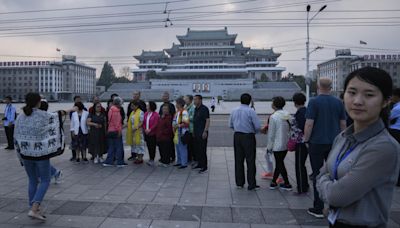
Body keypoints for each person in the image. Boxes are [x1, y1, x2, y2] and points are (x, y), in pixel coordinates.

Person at [316, 67, 400, 227]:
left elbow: (337, 196)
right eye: (352, 92)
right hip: (335, 221)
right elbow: (321, 174)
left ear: (386, 101)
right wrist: (327, 182)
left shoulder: (383, 147)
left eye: (369, 95)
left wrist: (324, 183)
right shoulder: (342, 137)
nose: (357, 101)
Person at [14, 92, 75, 221]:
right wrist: (72, 109)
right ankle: (35, 208)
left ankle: (33, 208)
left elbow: (16, 135)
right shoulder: (43, 115)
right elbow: (58, 115)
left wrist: (19, 154)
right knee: (45, 180)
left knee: (32, 180)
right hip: (40, 154)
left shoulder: (20, 116)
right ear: (38, 102)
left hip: (25, 153)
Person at [304, 77, 347, 218]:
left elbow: (309, 124)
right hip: (335, 143)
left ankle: (318, 207)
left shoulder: (314, 102)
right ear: (331, 87)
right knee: (335, 173)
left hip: (316, 143)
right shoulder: (338, 103)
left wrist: (306, 139)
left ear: (318, 86)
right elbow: (343, 125)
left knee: (317, 173)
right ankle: (334, 205)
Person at [229, 93, 262, 191]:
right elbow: (257, 126)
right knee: (250, 160)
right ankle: (251, 183)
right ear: (250, 101)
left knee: (238, 160)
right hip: (248, 136)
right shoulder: (251, 111)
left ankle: (239, 182)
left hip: (237, 136)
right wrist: (254, 132)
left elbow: (230, 125)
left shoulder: (233, 110)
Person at [266, 96, 292, 191]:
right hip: (286, 143)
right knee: (279, 162)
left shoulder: (273, 117)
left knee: (280, 163)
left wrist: (269, 147)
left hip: (277, 144)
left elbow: (271, 134)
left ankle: (287, 183)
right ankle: (273, 182)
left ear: (274, 105)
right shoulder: (287, 115)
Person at [38, 100, 63, 184]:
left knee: (41, 162)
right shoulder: (48, 116)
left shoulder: (47, 117)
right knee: (40, 162)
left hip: (43, 144)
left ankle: (54, 173)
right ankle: (54, 173)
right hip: (42, 143)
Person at [291, 93, 309, 194]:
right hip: (304, 141)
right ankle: (305, 184)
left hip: (301, 142)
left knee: (299, 165)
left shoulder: (300, 113)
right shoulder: (306, 111)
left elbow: (303, 127)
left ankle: (301, 188)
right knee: (302, 164)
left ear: (295, 102)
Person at [103, 97, 127, 167]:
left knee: (111, 147)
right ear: (118, 103)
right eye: (121, 103)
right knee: (118, 147)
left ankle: (109, 161)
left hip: (110, 130)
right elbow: (117, 123)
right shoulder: (116, 111)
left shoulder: (111, 109)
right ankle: (119, 162)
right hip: (115, 131)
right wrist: (119, 131)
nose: (121, 105)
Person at [192, 95, 210, 174]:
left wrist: (205, 131)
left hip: (202, 132)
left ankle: (204, 166)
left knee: (202, 150)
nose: (194, 101)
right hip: (196, 132)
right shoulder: (196, 109)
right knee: (197, 149)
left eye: (195, 99)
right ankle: (199, 164)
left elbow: (207, 120)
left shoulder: (204, 109)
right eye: (194, 99)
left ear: (200, 100)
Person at [172, 98, 190, 169]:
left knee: (182, 148)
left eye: (176, 103)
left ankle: (184, 163)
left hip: (182, 133)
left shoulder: (184, 112)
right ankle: (179, 161)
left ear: (179, 104)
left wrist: (178, 125)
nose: (175, 105)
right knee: (178, 148)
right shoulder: (177, 112)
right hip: (177, 133)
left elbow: (186, 123)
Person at [159, 91, 176, 163]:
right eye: (163, 96)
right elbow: (160, 115)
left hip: (169, 126)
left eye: (165, 96)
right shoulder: (161, 106)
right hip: (162, 127)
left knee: (170, 143)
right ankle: (165, 156)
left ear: (168, 97)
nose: (164, 98)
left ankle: (172, 156)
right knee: (164, 144)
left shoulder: (171, 105)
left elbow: (173, 115)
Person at [389, 88, 400, 187]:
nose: (391, 97)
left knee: (395, 155)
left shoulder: (396, 108)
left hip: (395, 132)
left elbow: (389, 118)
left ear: (397, 96)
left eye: (392, 95)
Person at [143, 101, 159, 166]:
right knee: (149, 146)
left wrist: (150, 129)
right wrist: (145, 129)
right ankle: (150, 158)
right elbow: (143, 122)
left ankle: (152, 158)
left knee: (152, 147)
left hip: (153, 133)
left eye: (148, 106)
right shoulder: (146, 113)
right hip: (146, 133)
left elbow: (156, 123)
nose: (146, 107)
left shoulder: (155, 114)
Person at [184, 95, 195, 164]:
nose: (185, 100)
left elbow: (193, 117)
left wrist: (185, 118)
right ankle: (188, 158)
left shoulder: (192, 108)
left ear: (190, 100)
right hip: (186, 129)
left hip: (191, 129)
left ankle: (191, 159)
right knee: (187, 145)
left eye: (186, 99)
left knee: (191, 145)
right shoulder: (185, 107)